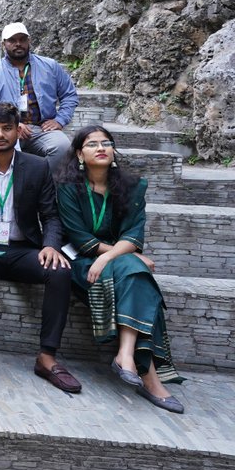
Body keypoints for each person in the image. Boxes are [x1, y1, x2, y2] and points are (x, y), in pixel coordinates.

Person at [0, 103, 80, 393]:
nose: (0, 134)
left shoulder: (37, 166)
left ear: (18, 131)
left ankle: (47, 356)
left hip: (23, 248)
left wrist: (50, 246)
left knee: (59, 271)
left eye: (7, 128)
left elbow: (51, 215)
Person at [56, 125, 184, 413]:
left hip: (113, 260)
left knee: (132, 271)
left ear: (113, 151)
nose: (100, 148)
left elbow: (134, 233)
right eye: (91, 144)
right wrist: (113, 256)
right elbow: (79, 238)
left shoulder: (133, 187)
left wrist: (109, 257)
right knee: (136, 271)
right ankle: (150, 380)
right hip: (82, 262)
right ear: (79, 153)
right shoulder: (68, 188)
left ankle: (126, 355)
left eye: (106, 143)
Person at [0, 22, 79, 166]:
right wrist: (12, 123)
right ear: (3, 44)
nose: (18, 44)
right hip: (8, 127)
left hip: (41, 128)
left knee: (62, 147)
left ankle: (45, 185)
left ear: (29, 41)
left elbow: (69, 95)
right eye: (12, 40)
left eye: (22, 39)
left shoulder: (50, 66)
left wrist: (60, 120)